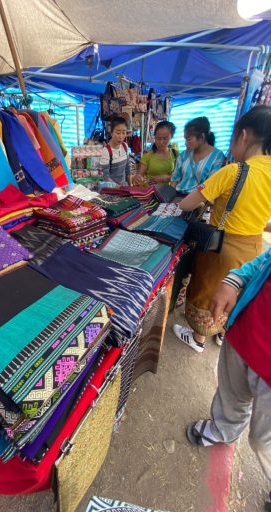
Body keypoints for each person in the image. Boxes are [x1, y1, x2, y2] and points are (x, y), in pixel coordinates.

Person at [172, 105, 271, 353]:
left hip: (222, 247)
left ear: (244, 135)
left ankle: (198, 339)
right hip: (255, 247)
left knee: (208, 291)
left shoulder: (234, 171)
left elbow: (187, 203)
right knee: (237, 290)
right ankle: (221, 333)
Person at [185, 249, 271, 511]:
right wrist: (234, 280)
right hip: (245, 333)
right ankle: (223, 430)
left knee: (263, 441)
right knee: (231, 396)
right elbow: (263, 260)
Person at [170, 116, 225, 194]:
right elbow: (175, 179)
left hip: (200, 201)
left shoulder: (217, 157)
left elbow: (212, 185)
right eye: (185, 139)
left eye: (188, 139)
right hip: (178, 196)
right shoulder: (184, 155)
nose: (185, 143)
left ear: (202, 137)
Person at [134, 121, 178, 185]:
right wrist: (137, 178)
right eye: (158, 138)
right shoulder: (147, 156)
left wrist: (165, 178)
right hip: (149, 192)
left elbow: (179, 176)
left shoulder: (175, 154)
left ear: (171, 137)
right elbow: (139, 175)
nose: (161, 142)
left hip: (167, 192)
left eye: (165, 138)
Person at [100, 116, 132, 186]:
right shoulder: (106, 151)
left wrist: (131, 186)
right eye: (118, 133)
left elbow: (127, 169)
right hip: (112, 191)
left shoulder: (125, 146)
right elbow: (106, 177)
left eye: (124, 133)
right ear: (111, 132)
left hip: (124, 189)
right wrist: (119, 188)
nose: (121, 136)